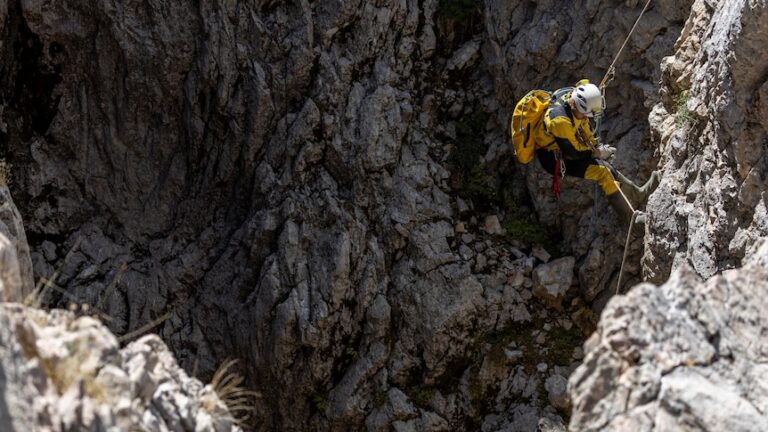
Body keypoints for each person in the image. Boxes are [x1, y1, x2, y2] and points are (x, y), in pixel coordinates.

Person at [532, 80, 660, 227]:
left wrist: (595, 146)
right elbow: (574, 153)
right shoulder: (559, 121)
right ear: (575, 106)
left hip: (566, 148)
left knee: (606, 168)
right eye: (584, 114)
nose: (587, 118)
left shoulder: (572, 99)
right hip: (554, 159)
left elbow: (583, 125)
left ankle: (639, 194)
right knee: (602, 173)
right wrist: (597, 152)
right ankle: (632, 222)